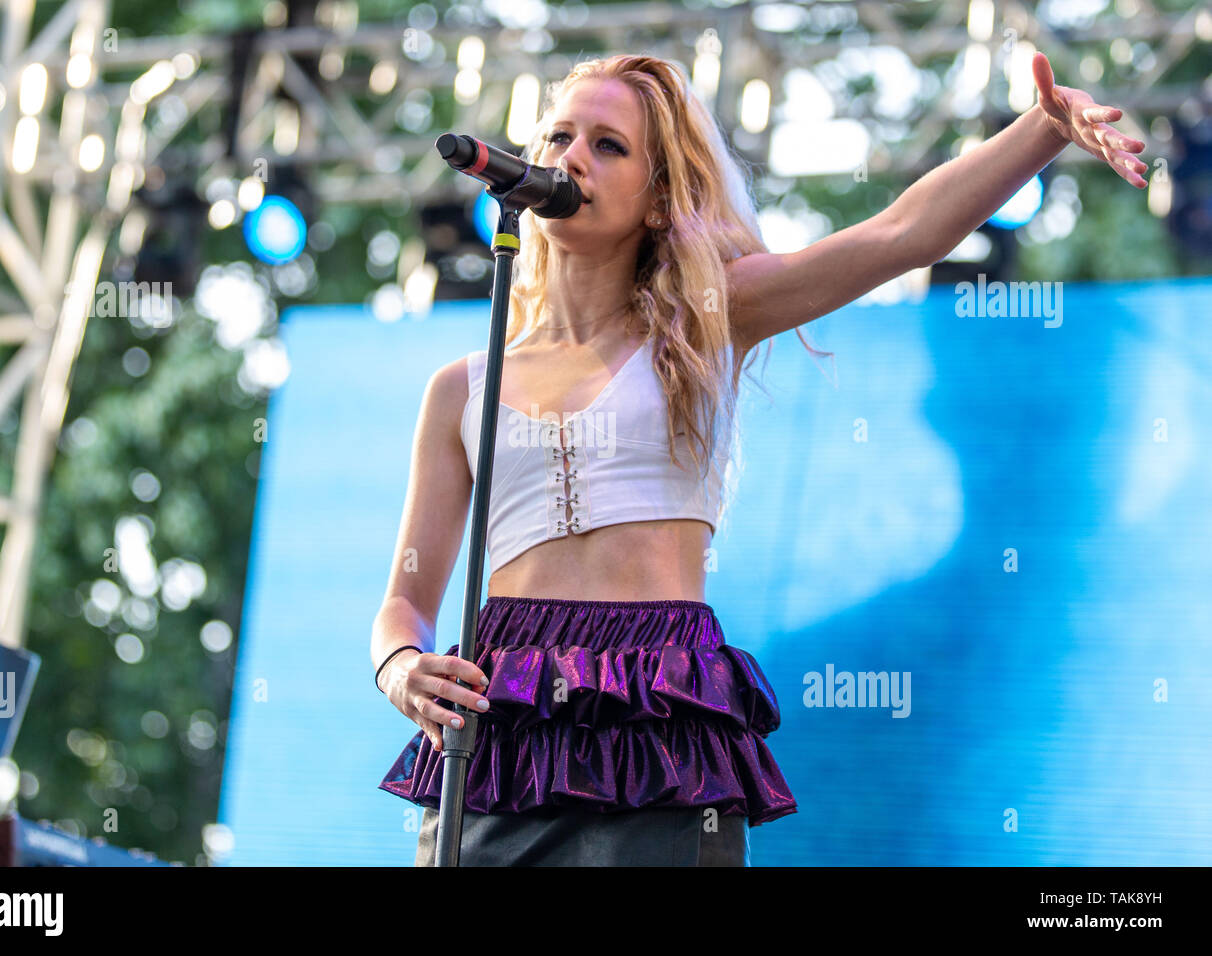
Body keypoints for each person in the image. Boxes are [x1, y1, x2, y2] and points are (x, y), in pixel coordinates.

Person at [371, 52, 1146, 866]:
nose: (571, 158)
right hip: (507, 729)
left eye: (609, 145)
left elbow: (899, 234)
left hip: (656, 710)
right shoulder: (463, 387)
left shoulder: (705, 317)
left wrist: (1042, 129)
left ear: (659, 195)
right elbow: (404, 599)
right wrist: (400, 668)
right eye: (559, 135)